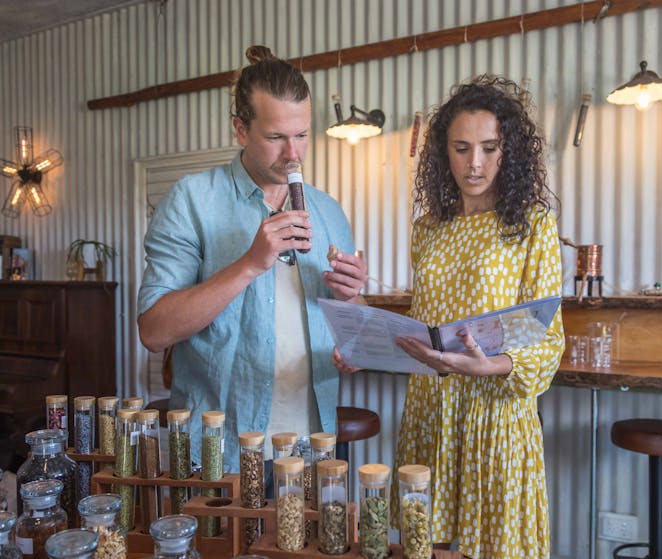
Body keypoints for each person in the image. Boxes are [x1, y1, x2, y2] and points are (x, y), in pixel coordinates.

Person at [334, 74, 564, 558]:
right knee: (426, 545)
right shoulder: (429, 230)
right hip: (431, 407)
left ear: (510, 151)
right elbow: (425, 320)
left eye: (488, 147)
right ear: (444, 152)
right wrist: (372, 344)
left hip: (494, 412)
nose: (474, 163)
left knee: (493, 547)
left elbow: (547, 340)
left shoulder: (532, 226)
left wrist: (488, 366)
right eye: (461, 148)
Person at [137, 45, 367, 471]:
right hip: (219, 448)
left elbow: (351, 327)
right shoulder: (192, 200)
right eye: (276, 137)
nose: (293, 154)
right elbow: (153, 330)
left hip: (311, 445)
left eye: (301, 135)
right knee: (221, 542)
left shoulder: (329, 210)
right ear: (240, 130)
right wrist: (249, 265)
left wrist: (354, 313)